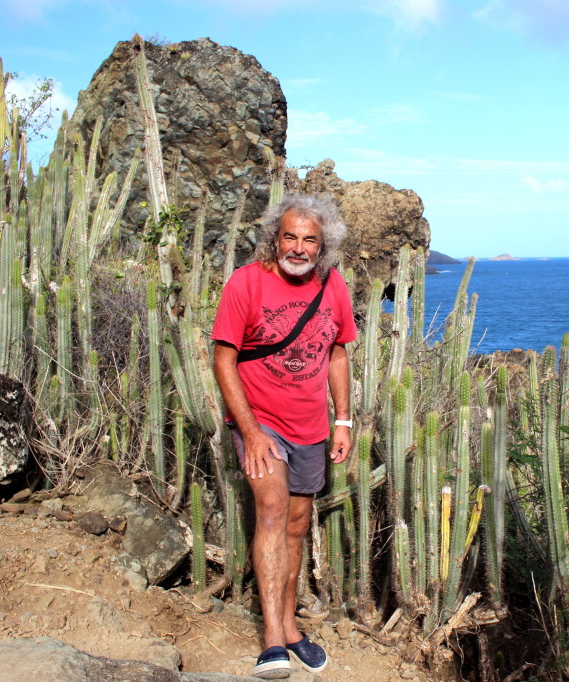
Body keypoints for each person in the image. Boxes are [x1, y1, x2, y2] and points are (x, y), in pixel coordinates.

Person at [211, 193, 356, 679]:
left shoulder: (333, 286)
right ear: (275, 239)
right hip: (261, 420)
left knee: (297, 524)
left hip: (311, 427)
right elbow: (223, 359)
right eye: (290, 236)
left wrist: (344, 420)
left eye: (309, 239)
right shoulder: (246, 283)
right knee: (272, 512)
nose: (298, 247)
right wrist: (250, 432)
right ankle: (272, 640)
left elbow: (337, 353)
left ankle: (292, 628)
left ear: (323, 246)